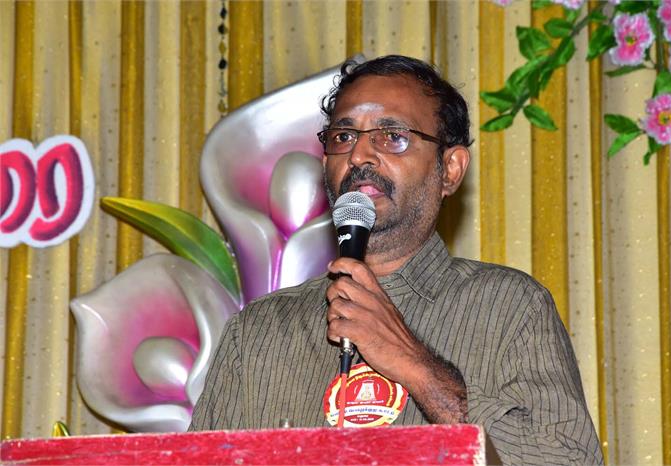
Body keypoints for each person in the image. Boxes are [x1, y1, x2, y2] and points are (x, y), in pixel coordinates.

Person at [190, 55, 603, 465]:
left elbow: (567, 461)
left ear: (450, 169)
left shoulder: (511, 307)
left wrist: (414, 363)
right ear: (325, 163)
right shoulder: (258, 331)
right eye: (343, 136)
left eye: (392, 136)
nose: (359, 156)